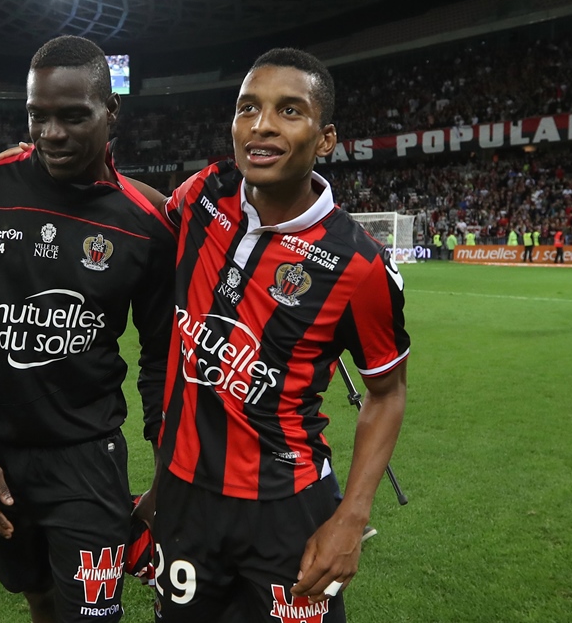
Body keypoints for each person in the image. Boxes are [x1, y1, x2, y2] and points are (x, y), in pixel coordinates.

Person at [0, 35, 175, 623]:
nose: (51, 133)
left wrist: (165, 466)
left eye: (73, 116)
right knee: (35, 593)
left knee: (94, 614)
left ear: (112, 113)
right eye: (38, 116)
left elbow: (163, 356)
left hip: (88, 455)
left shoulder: (144, 224)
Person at [148, 49, 409, 622]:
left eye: (289, 110)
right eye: (248, 108)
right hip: (185, 497)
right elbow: (138, 217)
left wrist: (351, 516)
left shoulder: (358, 265)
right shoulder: (201, 195)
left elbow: (387, 395)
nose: (262, 125)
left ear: (325, 139)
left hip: (288, 509)